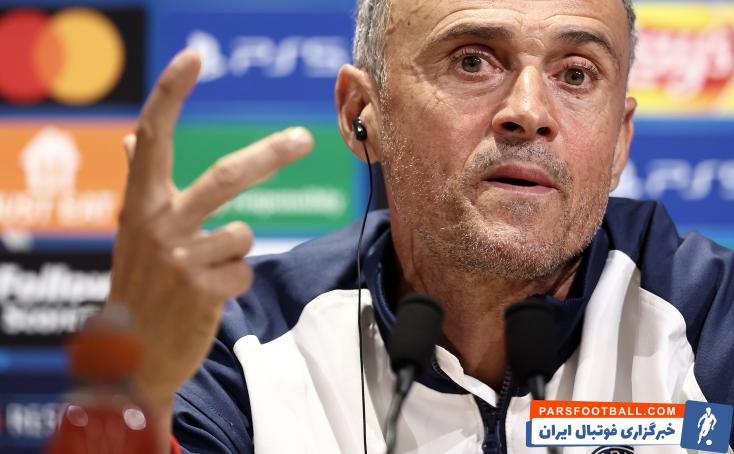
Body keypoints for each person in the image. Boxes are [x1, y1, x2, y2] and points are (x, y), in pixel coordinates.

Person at [107, 0, 734, 453]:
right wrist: (133, 395)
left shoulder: (713, 318)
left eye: (576, 74)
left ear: (620, 140)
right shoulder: (244, 342)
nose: (529, 112)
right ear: (363, 114)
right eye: (473, 61)